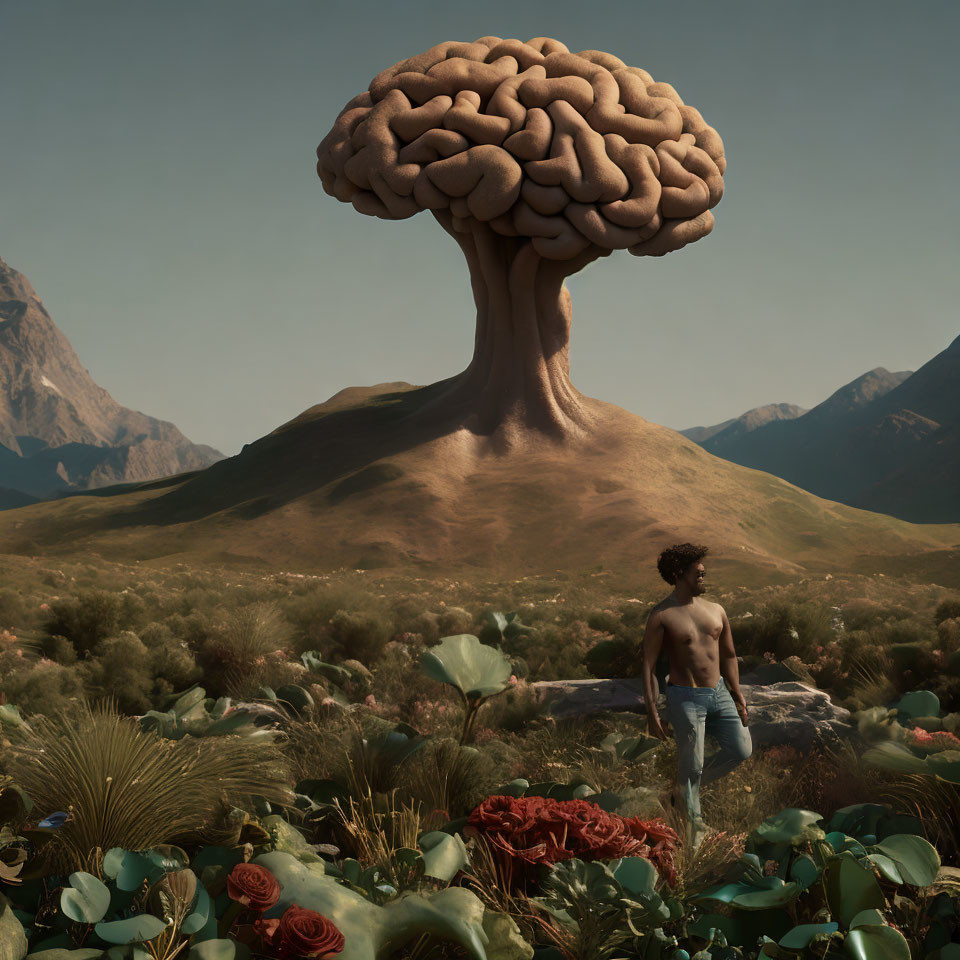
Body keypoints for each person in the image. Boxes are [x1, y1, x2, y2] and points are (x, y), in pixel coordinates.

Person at [641, 543, 752, 849]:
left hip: (719, 693)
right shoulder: (662, 615)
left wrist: (737, 693)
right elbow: (649, 667)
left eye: (704, 571)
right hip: (685, 697)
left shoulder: (716, 610)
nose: (704, 575)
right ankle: (696, 837)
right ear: (679, 574)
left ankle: (680, 792)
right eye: (697, 572)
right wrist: (653, 712)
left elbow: (729, 655)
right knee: (692, 766)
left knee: (741, 749)